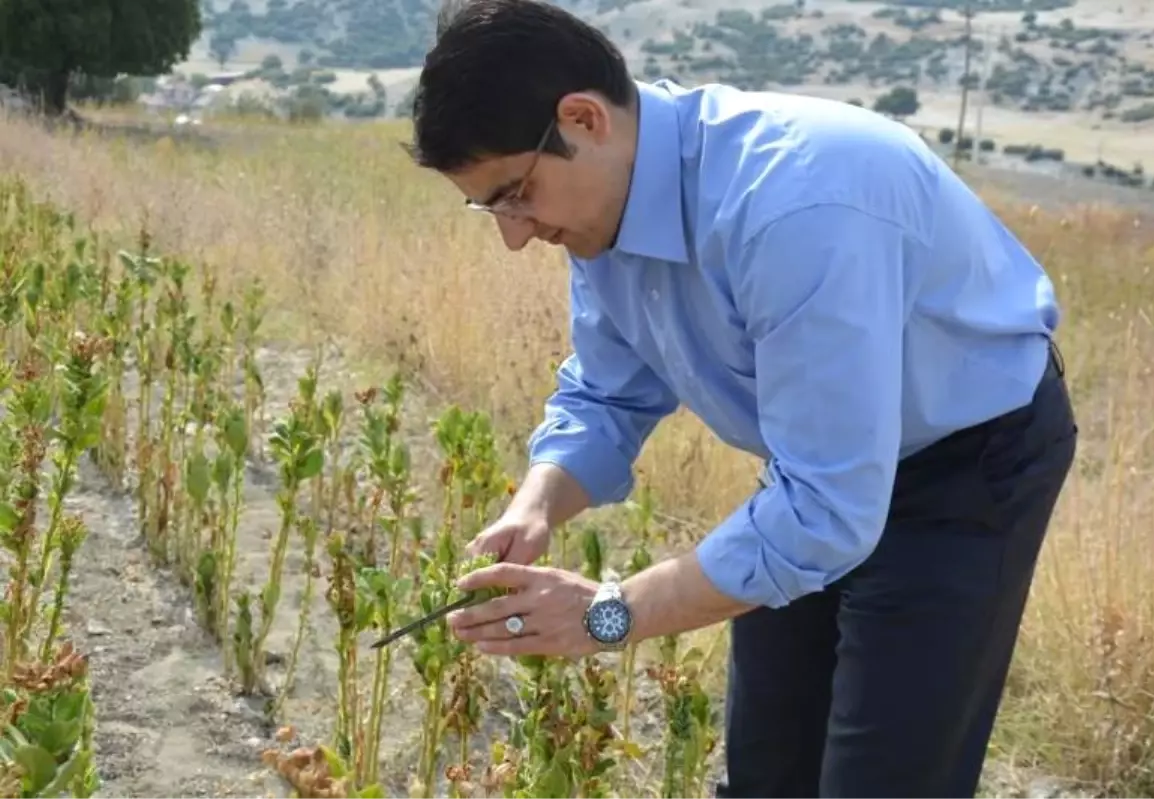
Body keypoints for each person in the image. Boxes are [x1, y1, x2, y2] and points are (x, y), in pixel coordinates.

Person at [406, 0, 1078, 796]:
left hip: (967, 468)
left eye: (515, 195)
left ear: (584, 119)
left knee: (886, 779)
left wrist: (605, 613)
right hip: (809, 471)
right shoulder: (597, 208)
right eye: (491, 207)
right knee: (767, 770)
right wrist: (537, 505)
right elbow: (608, 390)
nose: (514, 234)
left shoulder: (795, 204)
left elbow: (829, 511)